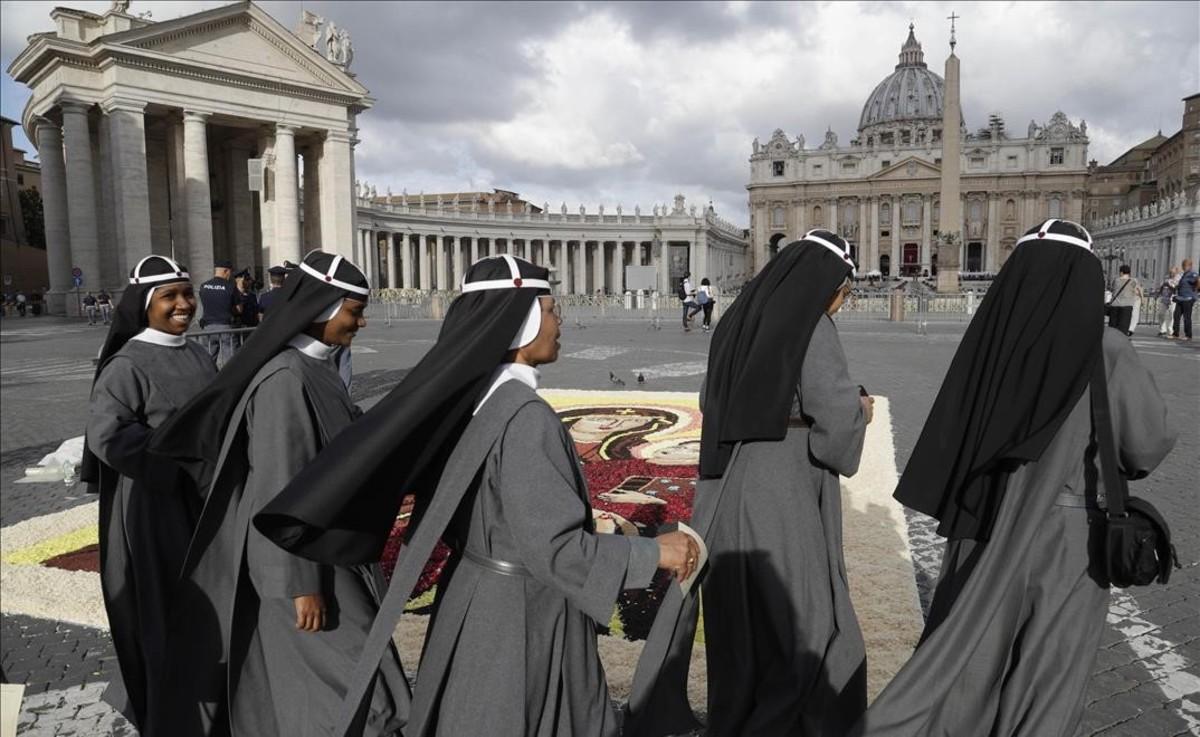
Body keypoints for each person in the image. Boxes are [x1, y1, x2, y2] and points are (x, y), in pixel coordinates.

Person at [254, 255, 700, 737]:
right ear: (522, 323)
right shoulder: (526, 418)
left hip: (473, 598)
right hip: (520, 617)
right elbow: (555, 551)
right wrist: (655, 552)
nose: (560, 323)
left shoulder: (472, 402)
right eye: (551, 310)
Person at [852, 220, 1176, 737]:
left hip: (981, 521)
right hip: (1068, 539)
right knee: (1050, 674)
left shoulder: (991, 339)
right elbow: (1146, 447)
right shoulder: (1107, 349)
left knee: (967, 662)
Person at [148, 251, 405, 736]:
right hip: (301, 565)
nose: (362, 322)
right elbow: (279, 486)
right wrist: (299, 586)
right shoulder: (286, 380)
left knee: (339, 689)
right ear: (323, 309)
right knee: (361, 688)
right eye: (354, 312)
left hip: (321, 551)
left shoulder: (314, 368)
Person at [625, 229, 871, 737]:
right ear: (827, 284)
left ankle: (735, 717)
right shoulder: (812, 324)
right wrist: (859, 411)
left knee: (740, 617)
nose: (842, 303)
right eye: (844, 292)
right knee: (803, 617)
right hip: (781, 482)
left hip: (726, 479)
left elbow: (709, 397)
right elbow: (831, 413)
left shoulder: (738, 317)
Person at [80, 255, 217, 731]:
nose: (184, 304)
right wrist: (179, 462)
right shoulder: (127, 364)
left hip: (199, 498)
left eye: (187, 294)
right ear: (144, 304)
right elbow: (108, 436)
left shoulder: (196, 352)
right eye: (169, 297)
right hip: (154, 506)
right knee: (166, 607)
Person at [198, 258, 241, 366]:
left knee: (207, 362)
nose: (230, 275)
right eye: (230, 272)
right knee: (230, 363)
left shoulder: (204, 286)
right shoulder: (230, 286)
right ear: (226, 271)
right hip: (225, 327)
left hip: (208, 328)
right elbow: (239, 309)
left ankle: (208, 376)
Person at [1107, 263, 1139, 335]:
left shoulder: (1116, 280)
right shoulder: (1133, 281)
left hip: (1115, 305)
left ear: (1121, 272)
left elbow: (1112, 289)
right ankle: (1122, 338)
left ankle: (1112, 338)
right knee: (1124, 327)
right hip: (1127, 306)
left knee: (1113, 326)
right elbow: (1136, 291)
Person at [1171, 258, 1197, 341]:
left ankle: (1188, 335)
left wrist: (1196, 289)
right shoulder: (1183, 275)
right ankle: (1175, 333)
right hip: (1180, 298)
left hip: (1188, 298)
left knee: (1187, 317)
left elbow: (1198, 281)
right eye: (1183, 265)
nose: (1183, 267)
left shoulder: (1193, 274)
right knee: (1176, 315)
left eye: (1185, 265)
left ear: (1190, 266)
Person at [1158, 266, 1180, 336]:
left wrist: (1169, 284)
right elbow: (1161, 286)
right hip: (1164, 297)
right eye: (1170, 272)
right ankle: (1162, 329)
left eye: (1172, 273)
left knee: (1172, 314)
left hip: (1173, 298)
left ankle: (1170, 330)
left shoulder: (1178, 278)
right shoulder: (1166, 277)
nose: (1171, 274)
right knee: (1161, 313)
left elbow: (1176, 288)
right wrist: (1159, 292)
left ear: (1176, 272)